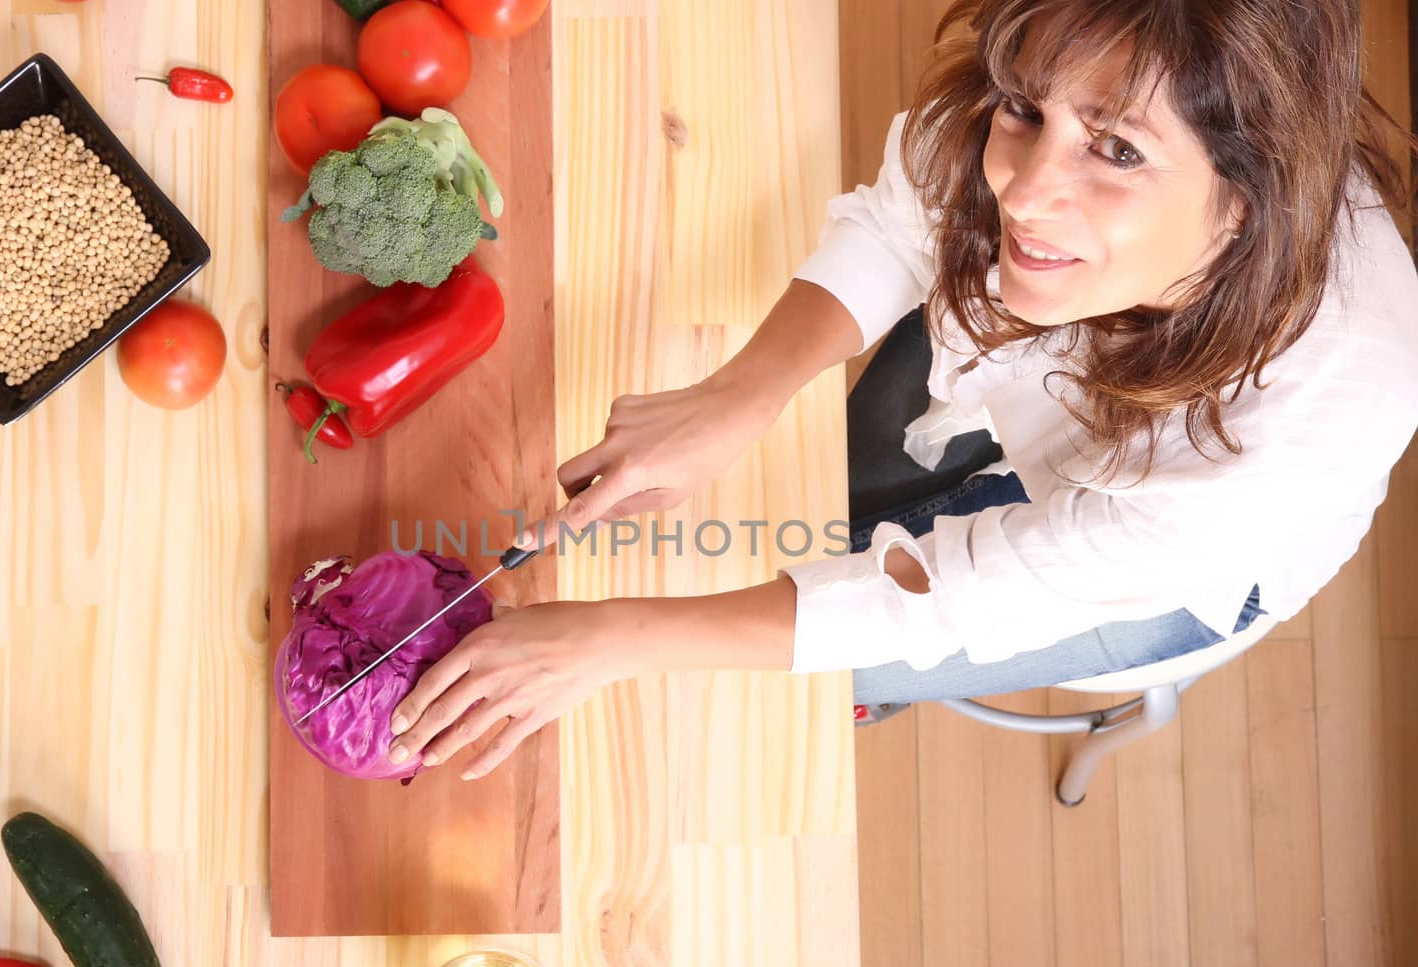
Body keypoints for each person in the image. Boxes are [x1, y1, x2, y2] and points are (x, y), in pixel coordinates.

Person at [385, 0, 1418, 781]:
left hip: (1172, 574)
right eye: (1025, 111)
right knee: (842, 495)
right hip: (1020, 363)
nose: (1021, 185)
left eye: (1113, 150)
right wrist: (742, 392)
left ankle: (867, 695)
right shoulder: (1060, 151)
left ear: (1241, 203)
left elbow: (956, 597)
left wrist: (610, 637)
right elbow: (904, 221)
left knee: (874, 651)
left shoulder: (1279, 439)